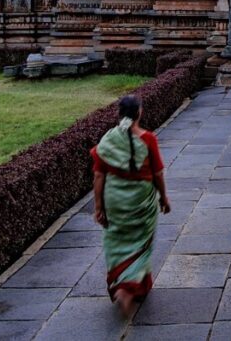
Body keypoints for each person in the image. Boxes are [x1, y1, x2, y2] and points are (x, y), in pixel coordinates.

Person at [91, 94, 171, 316]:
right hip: (141, 202)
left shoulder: (107, 141)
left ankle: (127, 284)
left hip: (114, 202)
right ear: (139, 113)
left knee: (116, 240)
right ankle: (128, 289)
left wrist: (98, 207)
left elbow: (98, 177)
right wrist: (163, 197)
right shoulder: (148, 139)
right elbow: (158, 173)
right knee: (141, 241)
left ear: (119, 114)